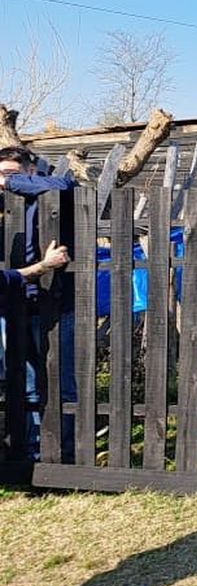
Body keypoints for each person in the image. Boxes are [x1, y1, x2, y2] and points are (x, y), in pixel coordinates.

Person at [0, 146, 78, 460]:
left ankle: (66, 452)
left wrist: (10, 183)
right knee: (26, 379)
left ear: (32, 170)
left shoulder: (50, 191)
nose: (3, 182)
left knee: (61, 381)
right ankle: (31, 452)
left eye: (10, 173)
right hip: (15, 303)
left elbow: (65, 185)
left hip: (55, 302)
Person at [0, 238, 71, 459]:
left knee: (56, 387)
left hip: (46, 306)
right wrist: (44, 266)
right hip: (24, 308)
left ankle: (56, 451)